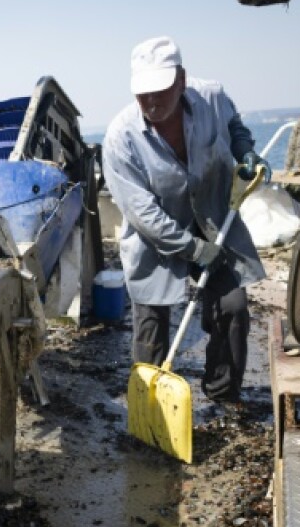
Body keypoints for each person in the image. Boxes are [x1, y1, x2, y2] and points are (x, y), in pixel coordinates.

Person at [102, 37, 270, 404]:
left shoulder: (212, 97)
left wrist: (246, 152)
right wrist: (193, 249)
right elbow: (142, 213)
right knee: (150, 329)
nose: (152, 102)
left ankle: (223, 393)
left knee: (233, 309)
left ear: (181, 79)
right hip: (156, 239)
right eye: (142, 93)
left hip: (213, 219)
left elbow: (234, 126)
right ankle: (149, 409)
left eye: (160, 90)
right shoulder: (120, 138)